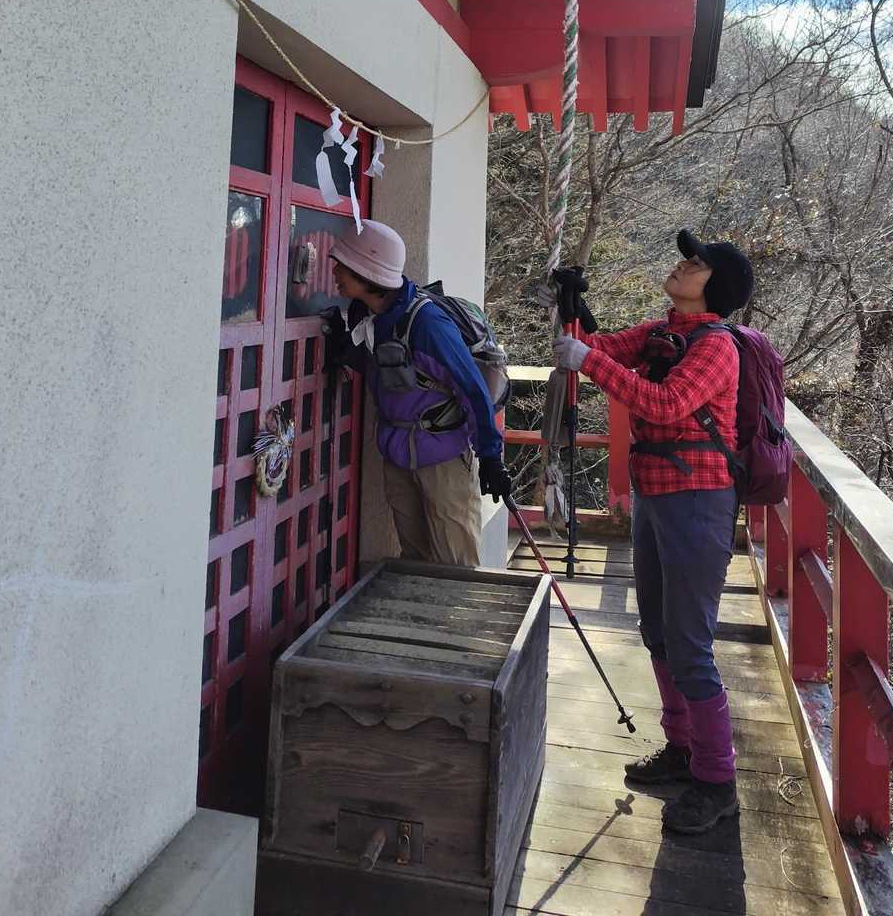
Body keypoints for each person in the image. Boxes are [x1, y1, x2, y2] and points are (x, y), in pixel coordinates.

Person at [553, 228, 754, 836]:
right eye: (686, 259)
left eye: (696, 264)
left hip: (699, 502)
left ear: (716, 286)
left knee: (689, 642)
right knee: (657, 632)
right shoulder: (664, 332)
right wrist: (570, 306)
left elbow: (665, 403)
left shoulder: (717, 347)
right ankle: (682, 749)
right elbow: (598, 349)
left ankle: (717, 781)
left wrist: (588, 360)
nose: (683, 266)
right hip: (657, 496)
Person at [323, 219, 511, 566]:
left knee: (454, 566)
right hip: (398, 458)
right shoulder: (372, 316)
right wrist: (345, 352)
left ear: (366, 271)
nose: (335, 272)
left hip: (443, 460)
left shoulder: (427, 324)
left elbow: (471, 389)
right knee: (413, 561)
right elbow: (393, 375)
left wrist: (490, 457)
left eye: (343, 266)